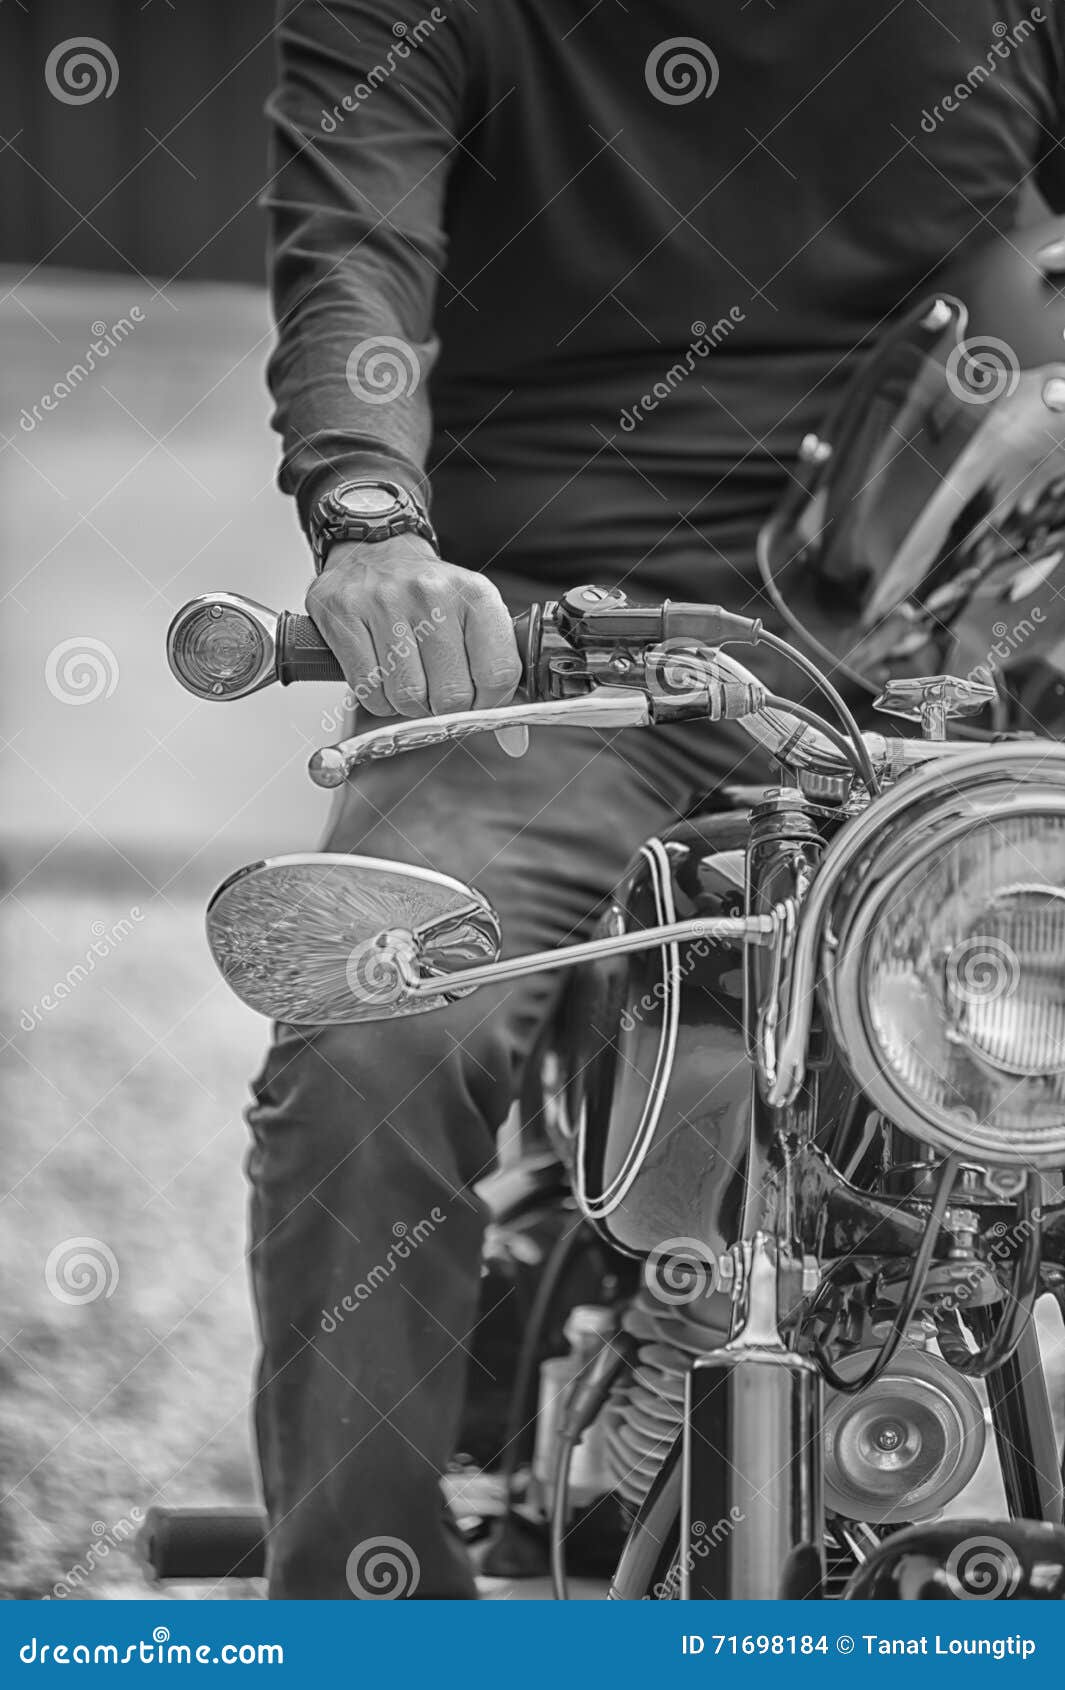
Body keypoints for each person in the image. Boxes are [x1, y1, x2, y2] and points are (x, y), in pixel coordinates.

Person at [250, 0, 1065, 1597]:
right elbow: (354, 256)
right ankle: (360, 1606)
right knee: (373, 1041)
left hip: (943, 652)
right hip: (554, 647)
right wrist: (370, 522)